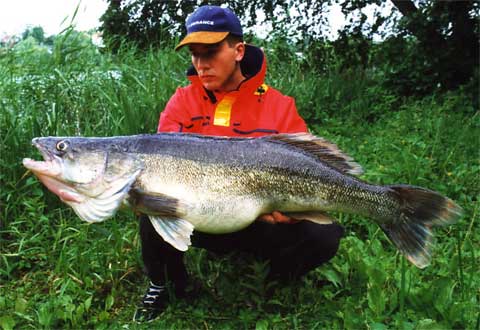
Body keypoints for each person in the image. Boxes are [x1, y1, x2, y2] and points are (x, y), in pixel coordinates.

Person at [134, 5, 344, 322]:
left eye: (212, 51)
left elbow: (308, 162)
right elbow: (163, 164)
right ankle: (167, 284)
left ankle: (274, 278)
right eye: (194, 53)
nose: (201, 64)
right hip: (200, 217)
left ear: (238, 50)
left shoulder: (279, 106)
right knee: (150, 197)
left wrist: (290, 210)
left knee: (324, 235)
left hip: (261, 220)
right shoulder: (181, 101)